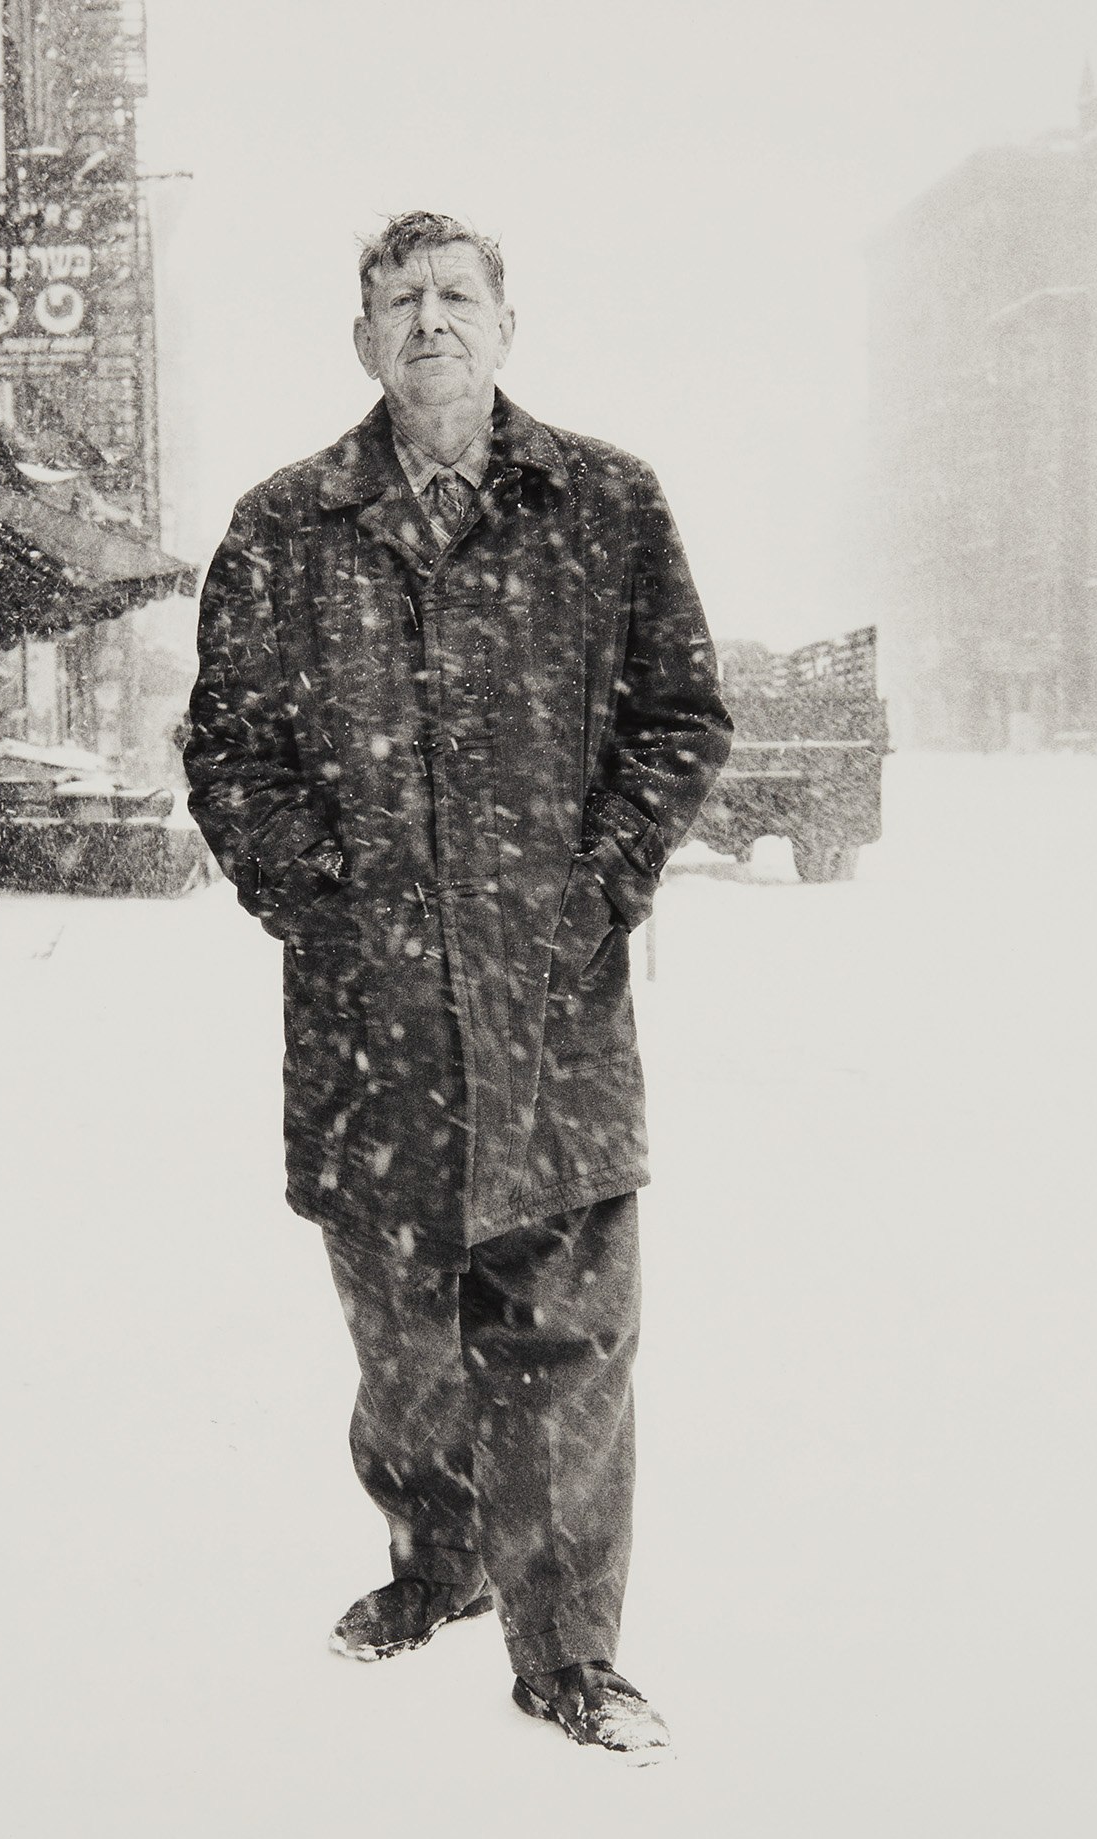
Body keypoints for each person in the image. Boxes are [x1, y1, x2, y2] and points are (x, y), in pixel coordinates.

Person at [187, 210, 733, 1755]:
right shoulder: (285, 526)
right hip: (372, 1033)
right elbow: (228, 745)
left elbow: (682, 716)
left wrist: (596, 884)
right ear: (361, 339)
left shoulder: (606, 505)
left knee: (566, 1344)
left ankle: (567, 1646)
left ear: (506, 326)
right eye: (398, 301)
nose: (428, 321)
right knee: (407, 1337)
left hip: (553, 1019)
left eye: (455, 296)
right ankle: (436, 1558)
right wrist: (326, 907)